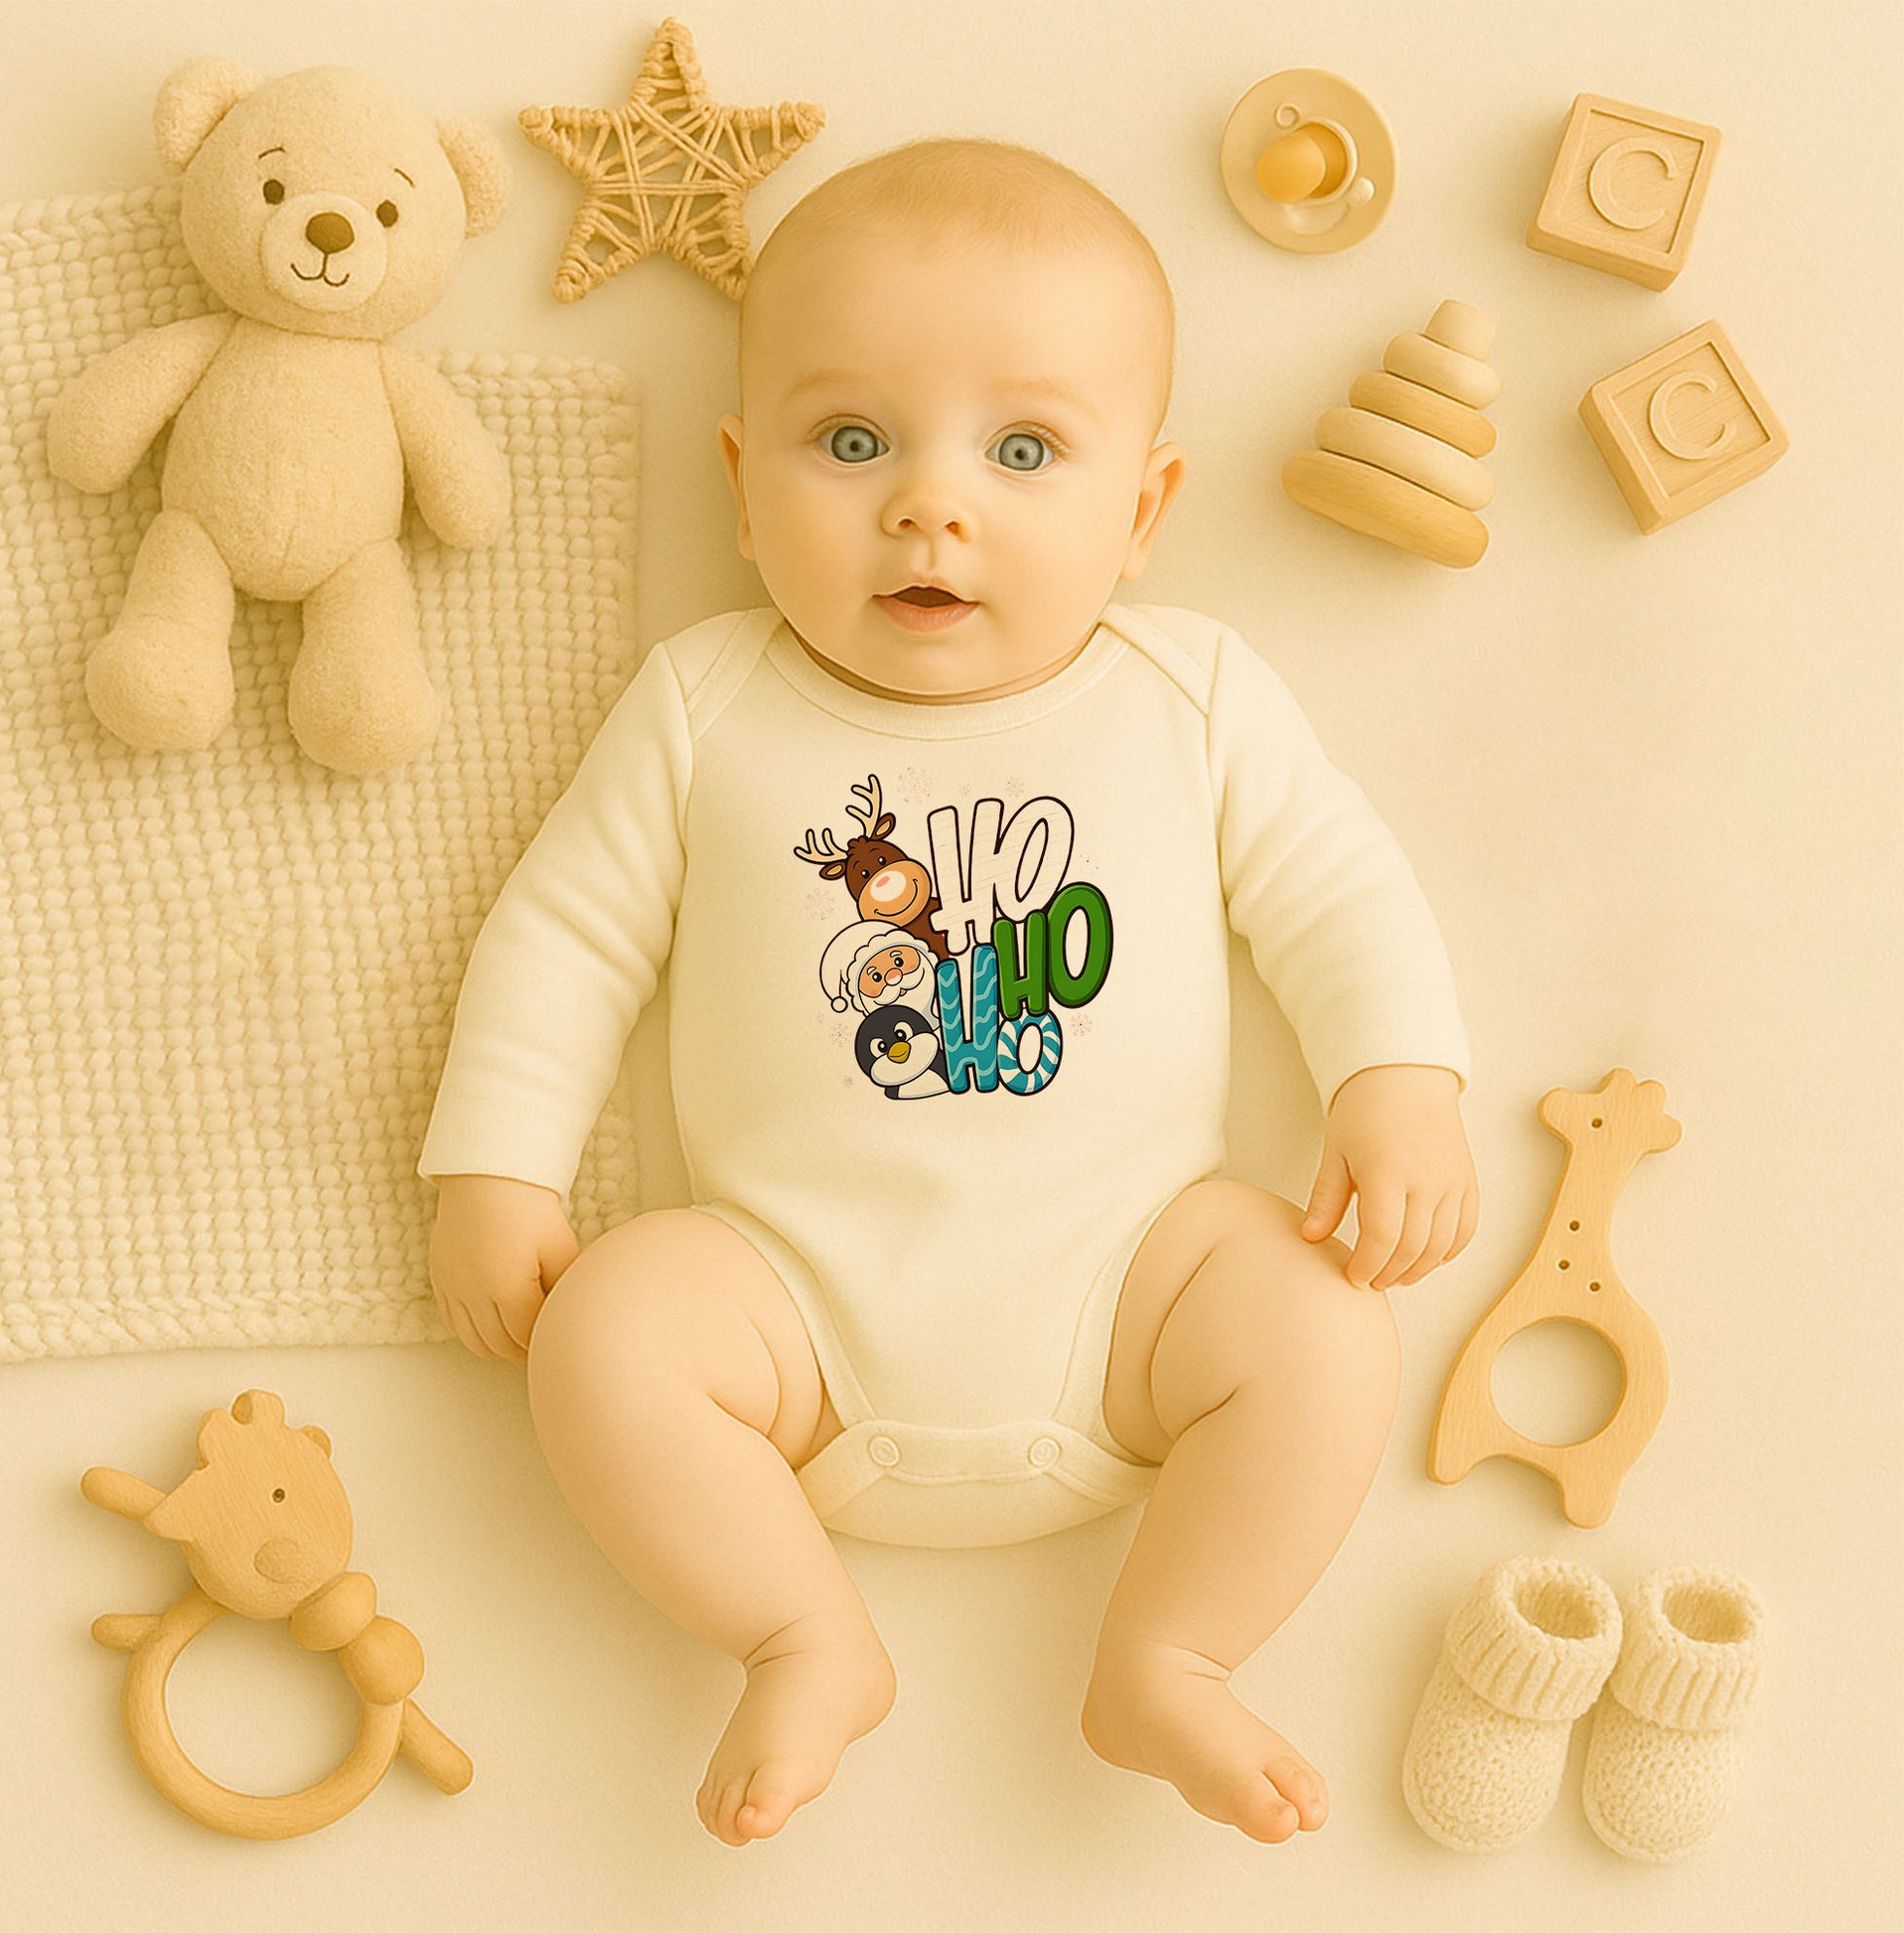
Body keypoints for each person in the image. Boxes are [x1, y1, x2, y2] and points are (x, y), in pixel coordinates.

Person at [422, 136, 1479, 1851]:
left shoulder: (1189, 694)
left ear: (1141, 513)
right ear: (741, 486)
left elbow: (1335, 887)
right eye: (851, 442)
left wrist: (1398, 1079)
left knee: (1320, 1317)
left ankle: (1170, 1651)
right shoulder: (704, 704)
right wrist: (496, 1164)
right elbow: (565, 934)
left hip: (1137, 1304)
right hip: (790, 1325)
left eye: (1023, 449)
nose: (930, 503)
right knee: (607, 1328)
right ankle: (800, 1632)